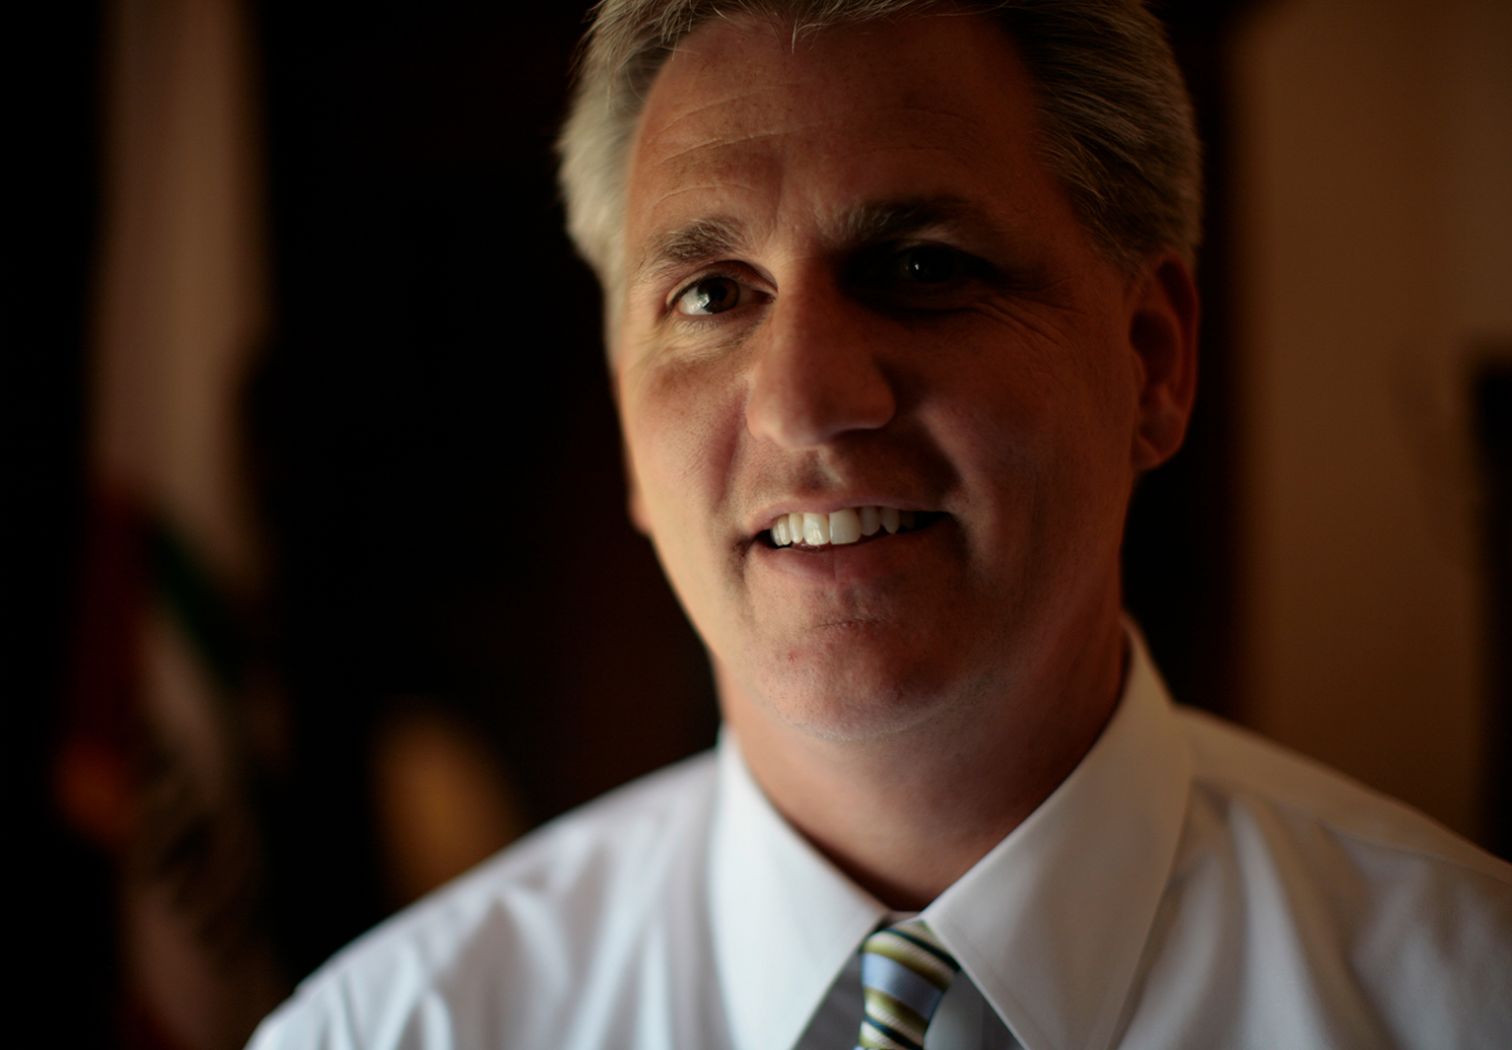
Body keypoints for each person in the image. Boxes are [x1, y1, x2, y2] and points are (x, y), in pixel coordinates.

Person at [249, 1, 1512, 1046]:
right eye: (710, 293)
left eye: (921, 266)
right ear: (629, 425)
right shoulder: (387, 1027)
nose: (804, 402)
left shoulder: (1466, 995)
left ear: (1153, 359)